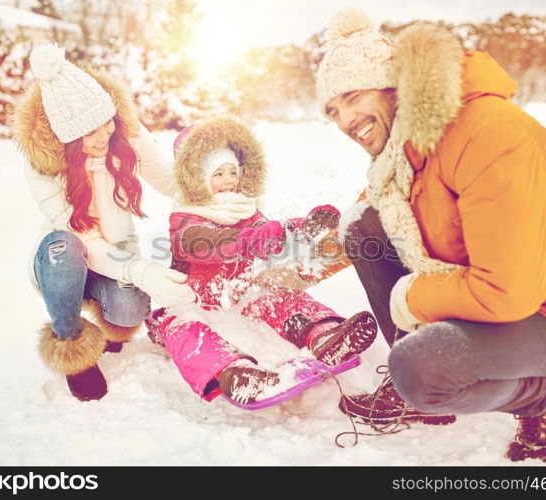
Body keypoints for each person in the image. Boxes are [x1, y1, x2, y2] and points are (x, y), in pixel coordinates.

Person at [313, 8, 546, 461]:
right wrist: (273, 266)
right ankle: (421, 387)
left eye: (352, 96)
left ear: (392, 85)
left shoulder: (488, 133)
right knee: (363, 225)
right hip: (502, 291)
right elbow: (367, 225)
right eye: (333, 110)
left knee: (419, 369)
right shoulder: (404, 152)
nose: (345, 119)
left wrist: (412, 299)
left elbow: (508, 292)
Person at [146, 116, 378, 404]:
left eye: (232, 172)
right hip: (194, 300)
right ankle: (234, 373)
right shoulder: (186, 219)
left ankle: (325, 335)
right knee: (183, 327)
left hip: (241, 294)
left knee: (279, 297)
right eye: (218, 174)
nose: (229, 180)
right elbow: (211, 245)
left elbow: (267, 232)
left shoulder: (244, 208)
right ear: (197, 179)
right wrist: (256, 240)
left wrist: (301, 227)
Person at [14, 44, 195, 402]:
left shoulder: (124, 134)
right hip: (62, 259)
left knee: (131, 312)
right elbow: (86, 238)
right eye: (88, 131)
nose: (103, 136)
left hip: (116, 253)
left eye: (106, 122)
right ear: (67, 137)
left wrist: (214, 180)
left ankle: (109, 322)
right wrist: (143, 271)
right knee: (67, 246)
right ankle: (71, 344)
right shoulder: (44, 167)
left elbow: (171, 181)